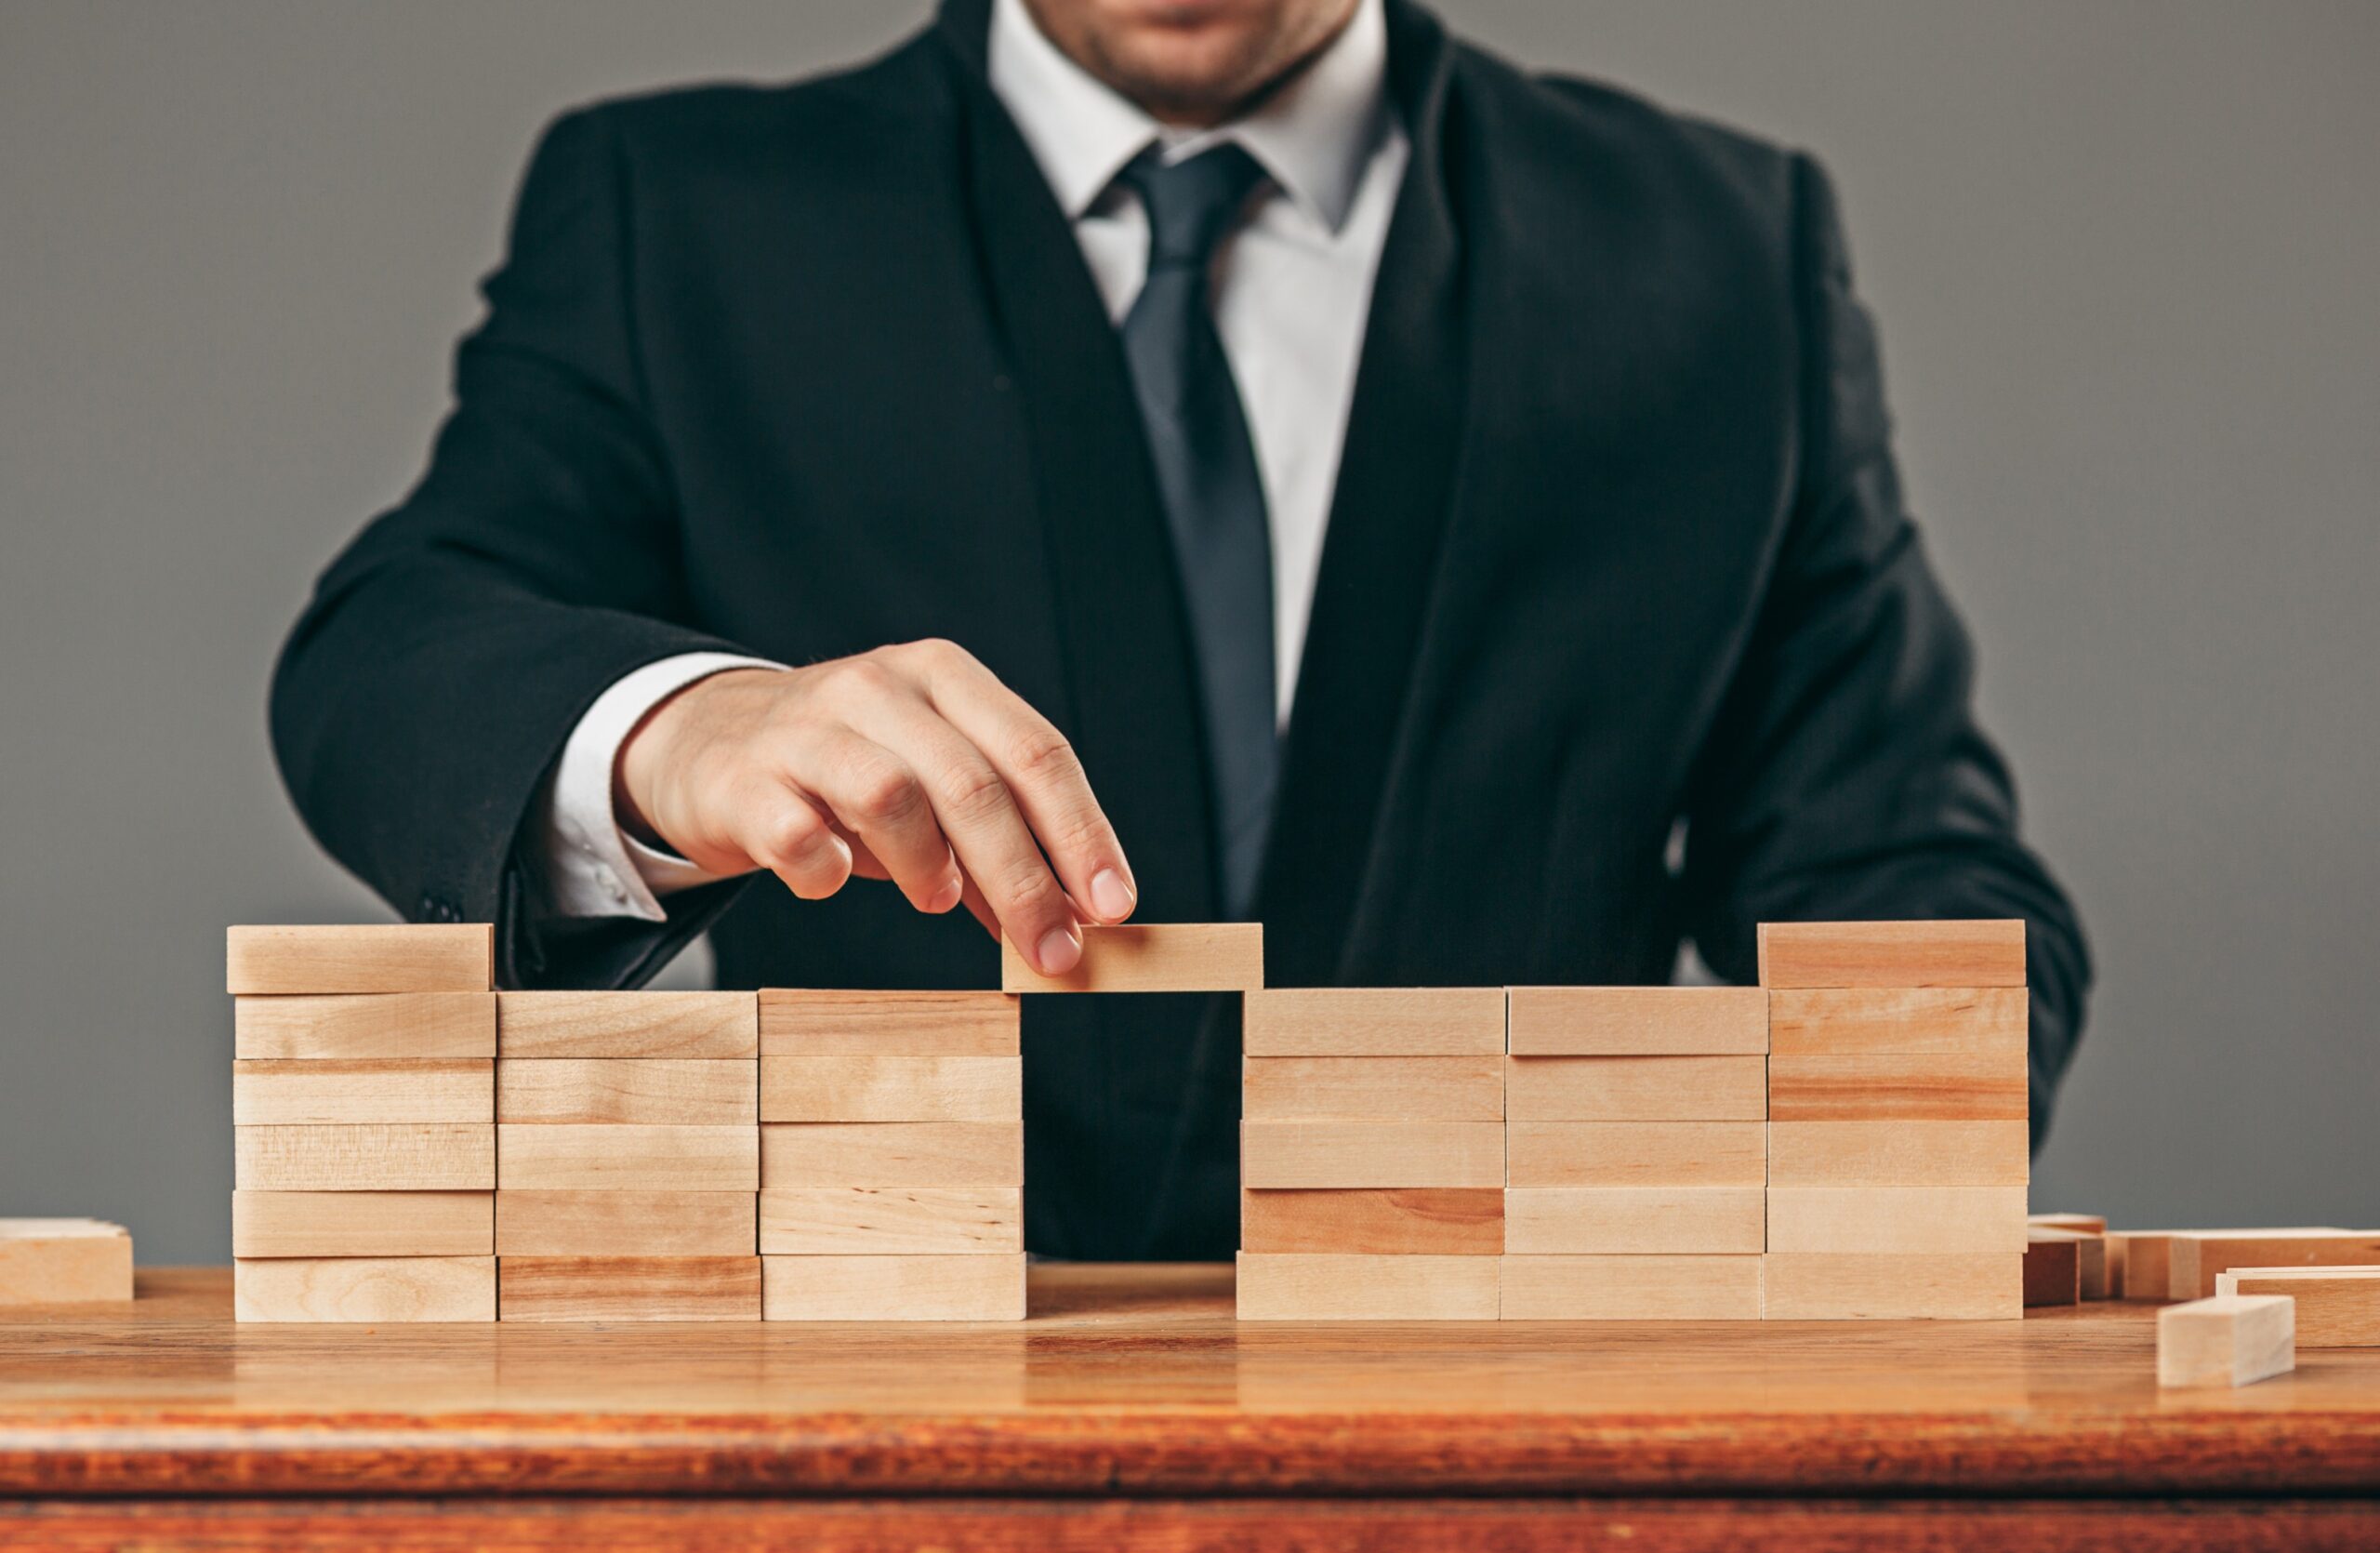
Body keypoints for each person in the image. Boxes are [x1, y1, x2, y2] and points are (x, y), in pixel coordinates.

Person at [271, 0, 2091, 1260]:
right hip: (883, 1473)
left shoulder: (1712, 249)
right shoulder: (677, 213)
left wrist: (1742, 1215)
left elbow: (1919, 893)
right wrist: (683, 729)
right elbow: (390, 652)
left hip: (1519, 1465)